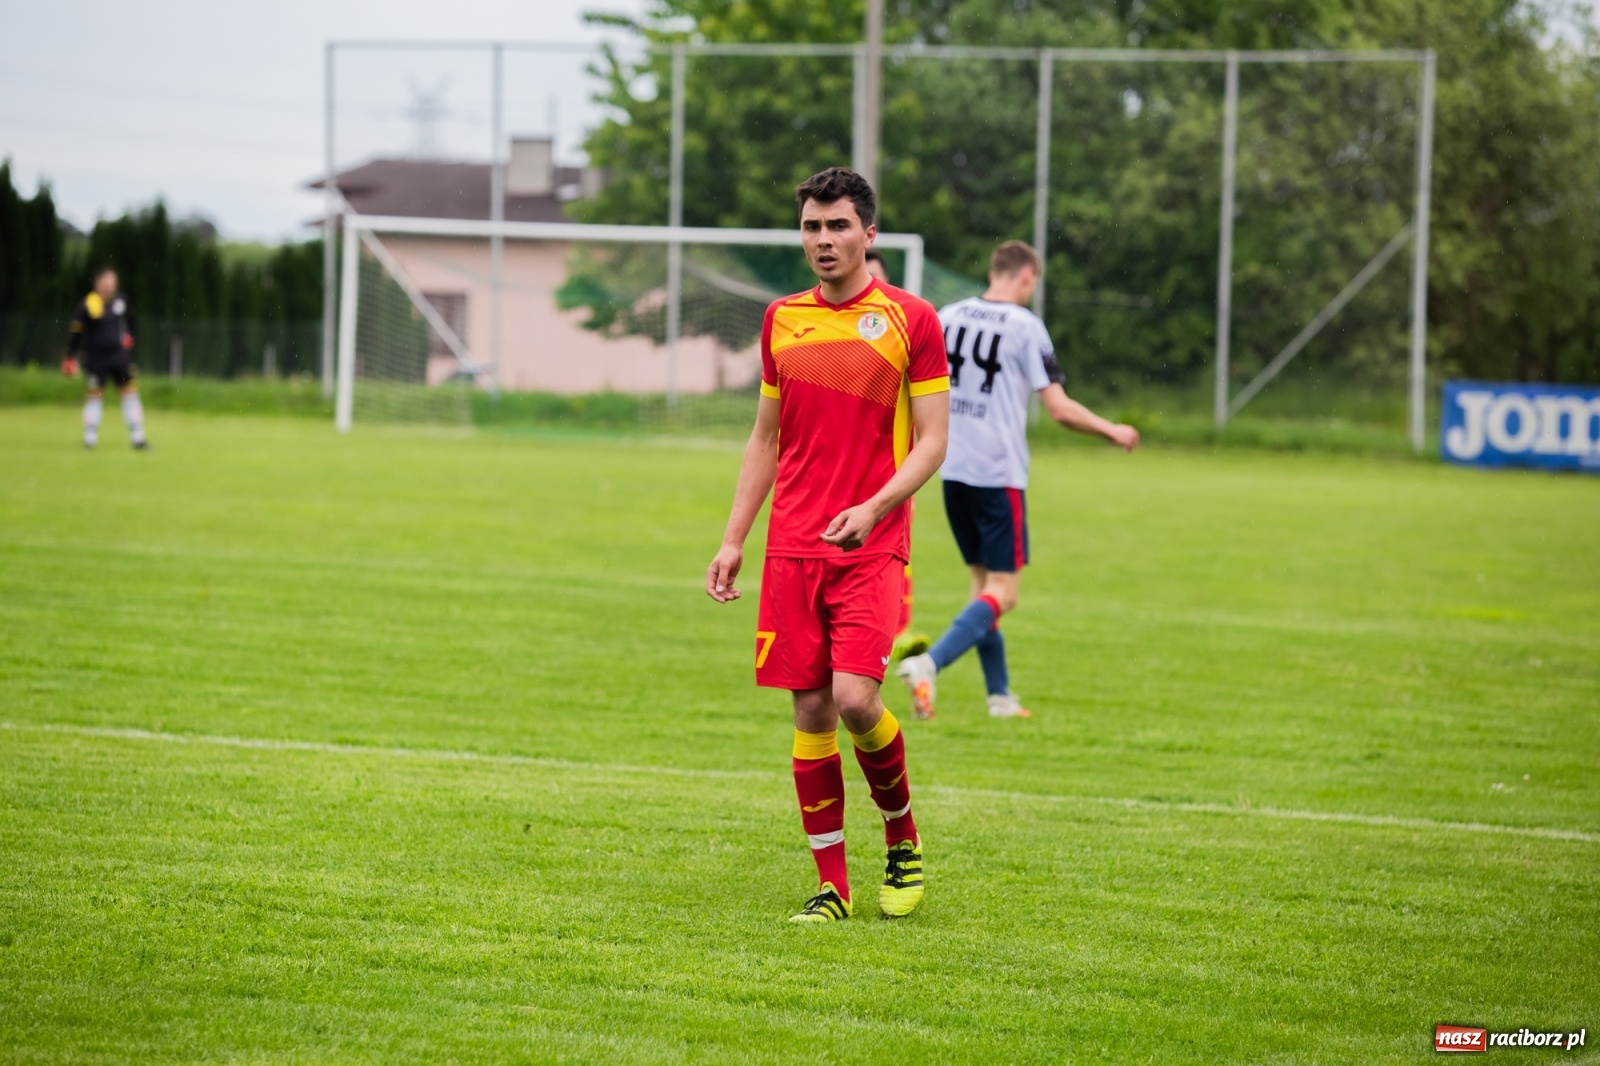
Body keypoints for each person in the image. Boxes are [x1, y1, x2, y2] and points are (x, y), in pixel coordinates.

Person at [706, 167, 950, 923]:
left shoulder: (912, 320)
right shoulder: (782, 319)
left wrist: (876, 507)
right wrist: (734, 538)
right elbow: (765, 438)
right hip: (792, 547)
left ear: (868, 234)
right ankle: (832, 887)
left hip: (873, 543)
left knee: (853, 698)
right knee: (809, 709)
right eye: (812, 227)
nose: (823, 240)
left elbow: (934, 443)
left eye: (837, 226)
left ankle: (902, 837)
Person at [897, 240, 1138, 720]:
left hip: (952, 469)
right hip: (998, 473)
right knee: (1004, 593)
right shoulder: (1026, 327)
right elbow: (1059, 408)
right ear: (1027, 276)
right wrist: (1112, 429)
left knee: (982, 587)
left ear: (994, 270)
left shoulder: (947, 316)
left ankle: (1000, 697)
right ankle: (929, 664)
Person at [863, 249, 933, 665]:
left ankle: (898, 641)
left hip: (891, 479)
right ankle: (901, 653)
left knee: (889, 560)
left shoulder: (907, 333)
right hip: (828, 484)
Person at [65, 268, 148, 450]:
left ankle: (138, 437)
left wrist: (131, 337)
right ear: (98, 282)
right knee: (94, 396)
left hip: (119, 357)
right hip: (96, 359)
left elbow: (133, 320)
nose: (112, 285)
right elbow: (76, 333)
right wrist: (70, 356)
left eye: (114, 281)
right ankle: (90, 438)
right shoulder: (88, 304)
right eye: (109, 281)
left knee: (130, 394)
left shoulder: (121, 301)